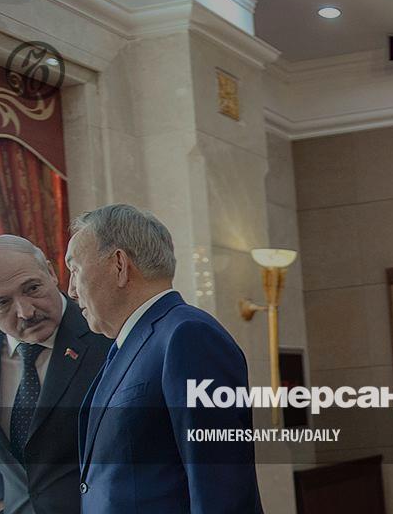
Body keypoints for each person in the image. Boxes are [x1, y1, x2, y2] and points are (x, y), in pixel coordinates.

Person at [66, 204, 262, 513]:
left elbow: (221, 485)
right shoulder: (131, 343)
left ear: (119, 264)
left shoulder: (189, 336)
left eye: (75, 270)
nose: (71, 290)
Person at [0, 235, 112, 514]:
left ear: (51, 272)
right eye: (2, 303)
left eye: (33, 288)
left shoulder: (107, 335)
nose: (26, 312)